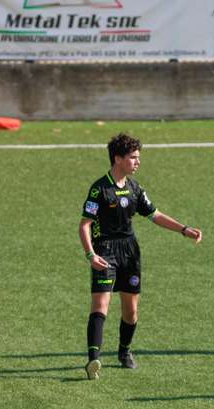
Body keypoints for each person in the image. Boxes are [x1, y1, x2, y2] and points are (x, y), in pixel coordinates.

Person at [79, 133, 202, 380]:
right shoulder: (99, 189)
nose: (138, 162)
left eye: (138, 157)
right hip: (105, 251)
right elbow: (84, 225)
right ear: (118, 158)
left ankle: (124, 351)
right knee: (100, 304)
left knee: (131, 311)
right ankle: (93, 360)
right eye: (133, 157)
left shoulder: (134, 188)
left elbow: (155, 215)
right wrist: (90, 254)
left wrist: (183, 229)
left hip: (130, 252)